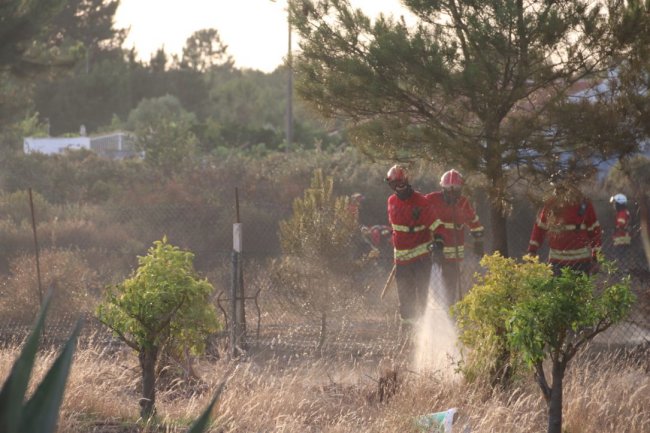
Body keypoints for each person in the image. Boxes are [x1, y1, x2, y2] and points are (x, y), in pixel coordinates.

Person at [385, 164, 438, 333]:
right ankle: (407, 330)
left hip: (421, 259)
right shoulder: (391, 201)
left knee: (423, 294)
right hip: (401, 261)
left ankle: (425, 328)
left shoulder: (422, 202)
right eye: (395, 185)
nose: (399, 188)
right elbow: (396, 229)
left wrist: (440, 240)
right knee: (405, 297)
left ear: (407, 181)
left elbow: (436, 226)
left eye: (401, 183)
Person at [425, 169, 484, 306]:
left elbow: (474, 222)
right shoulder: (431, 199)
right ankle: (428, 310)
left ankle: (448, 312)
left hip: (454, 255)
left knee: (449, 288)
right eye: (448, 191)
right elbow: (419, 209)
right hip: (434, 251)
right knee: (429, 286)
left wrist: (478, 241)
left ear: (460, 190)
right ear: (442, 188)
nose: (452, 195)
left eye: (455, 191)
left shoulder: (463, 203)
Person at [527, 172, 602, 275]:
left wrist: (596, 259)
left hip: (580, 263)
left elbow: (595, 233)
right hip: (557, 263)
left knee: (576, 285)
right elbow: (539, 228)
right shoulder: (551, 204)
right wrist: (532, 251)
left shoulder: (584, 204)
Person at [610, 193, 631, 269]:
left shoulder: (622, 213)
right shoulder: (625, 212)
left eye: (615, 203)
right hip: (624, 238)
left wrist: (615, 229)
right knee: (623, 257)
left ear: (619, 204)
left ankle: (621, 269)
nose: (614, 205)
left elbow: (620, 225)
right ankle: (623, 269)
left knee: (620, 256)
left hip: (621, 238)